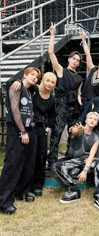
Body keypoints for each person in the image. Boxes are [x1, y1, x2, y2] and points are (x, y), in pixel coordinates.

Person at [0, 67, 41, 214]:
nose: (34, 78)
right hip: (17, 129)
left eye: (37, 77)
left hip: (28, 129)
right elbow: (15, 109)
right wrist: (22, 131)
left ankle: (19, 192)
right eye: (32, 75)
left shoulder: (30, 90)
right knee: (12, 164)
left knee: (26, 163)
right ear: (25, 75)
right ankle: (3, 201)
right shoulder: (16, 86)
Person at [54, 112, 99, 211]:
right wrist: (76, 130)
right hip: (74, 160)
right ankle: (74, 191)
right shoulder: (79, 129)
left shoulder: (96, 138)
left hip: (87, 161)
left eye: (95, 119)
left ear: (97, 123)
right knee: (56, 166)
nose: (92, 120)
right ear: (86, 120)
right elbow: (74, 132)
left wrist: (85, 171)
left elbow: (91, 156)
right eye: (90, 118)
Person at [47, 22, 84, 168]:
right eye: (73, 59)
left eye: (78, 61)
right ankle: (52, 161)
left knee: (72, 133)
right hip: (61, 104)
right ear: (69, 59)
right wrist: (53, 35)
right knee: (56, 133)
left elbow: (79, 95)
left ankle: (69, 159)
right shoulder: (61, 70)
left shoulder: (80, 78)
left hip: (74, 106)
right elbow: (51, 53)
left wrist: (83, 107)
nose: (75, 62)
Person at [79, 31, 99, 108]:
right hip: (82, 101)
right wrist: (83, 39)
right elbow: (88, 54)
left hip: (94, 105)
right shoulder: (93, 70)